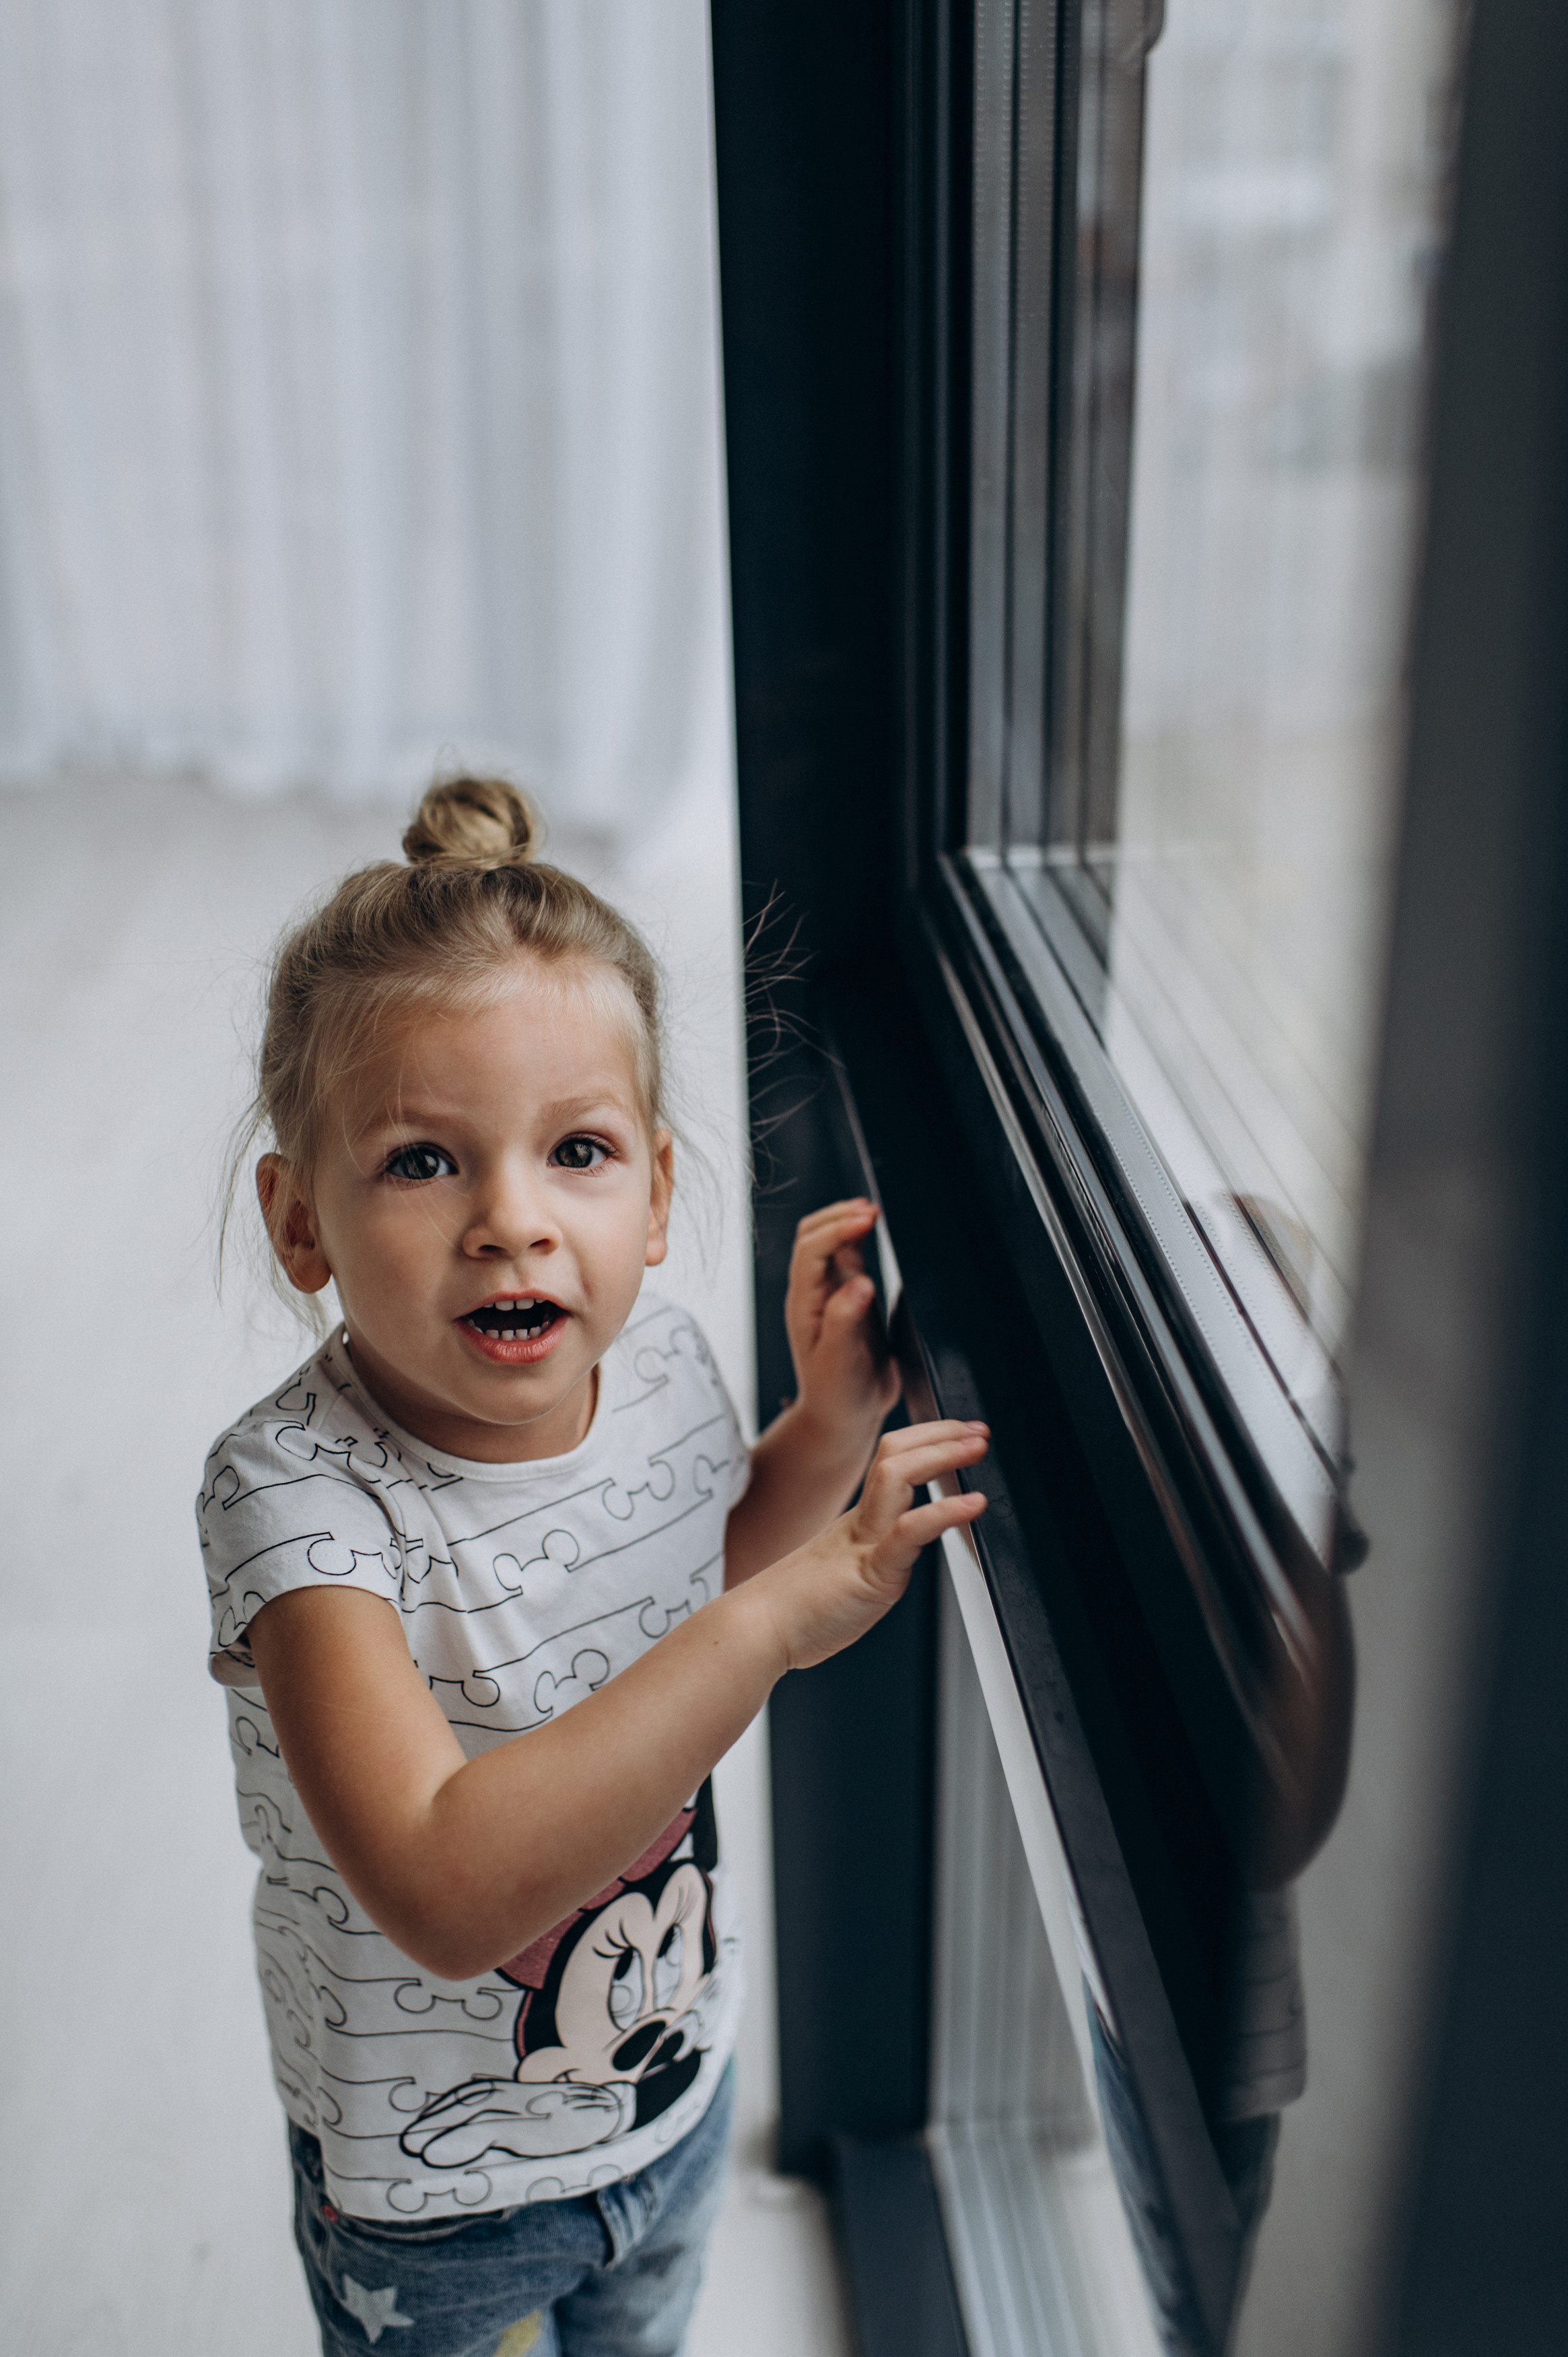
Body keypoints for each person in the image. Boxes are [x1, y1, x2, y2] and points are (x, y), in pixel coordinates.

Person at [198, 774, 989, 2357]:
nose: (512, 1221)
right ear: (302, 1222)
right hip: (442, 2197)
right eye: (424, 1162)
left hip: (672, 2083)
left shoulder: (674, 1364)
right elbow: (440, 1882)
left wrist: (820, 1436)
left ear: (660, 1192)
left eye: (577, 1150)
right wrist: (780, 1620)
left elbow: (696, 1572)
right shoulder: (296, 1507)